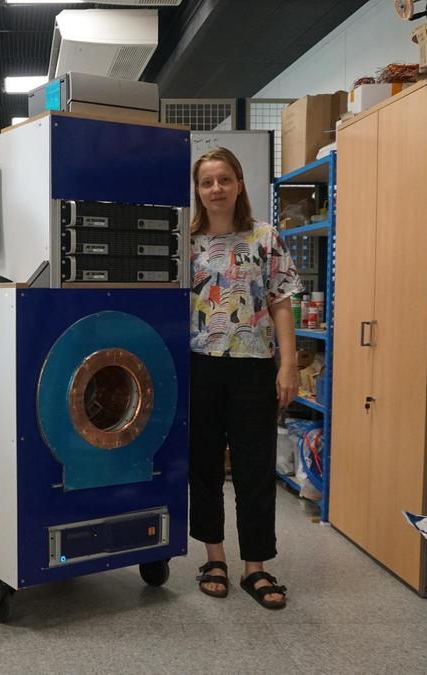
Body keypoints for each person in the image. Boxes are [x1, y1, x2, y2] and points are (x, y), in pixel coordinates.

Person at [188, 147, 301, 610]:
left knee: (255, 469)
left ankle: (256, 565)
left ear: (239, 184)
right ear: (197, 190)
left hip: (254, 366)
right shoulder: (186, 241)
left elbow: (279, 301)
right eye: (207, 181)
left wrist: (289, 363)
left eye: (224, 179)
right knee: (205, 467)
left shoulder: (264, 237)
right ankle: (214, 558)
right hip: (199, 366)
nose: (216, 188)